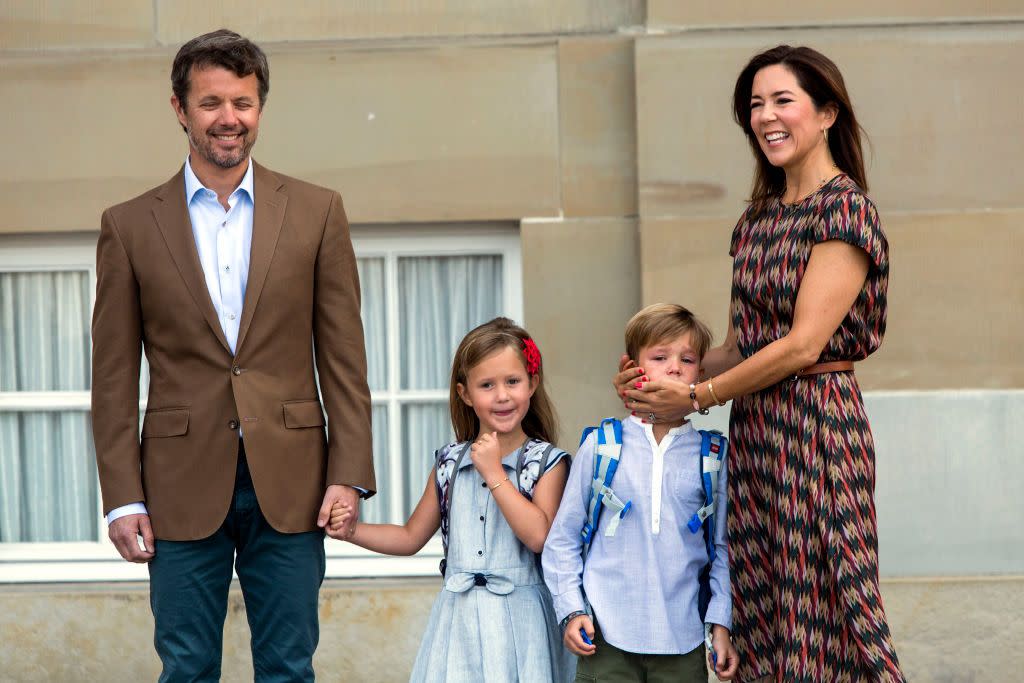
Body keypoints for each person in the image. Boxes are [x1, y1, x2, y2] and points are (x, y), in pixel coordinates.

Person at [90, 29, 374, 681]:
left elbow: (344, 358)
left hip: (295, 480)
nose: (229, 119)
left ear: (260, 109)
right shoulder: (130, 225)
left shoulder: (316, 211)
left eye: (243, 103)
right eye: (212, 102)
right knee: (187, 666)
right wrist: (121, 496)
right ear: (180, 109)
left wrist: (349, 471)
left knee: (289, 666)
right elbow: (111, 376)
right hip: (178, 482)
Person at [615, 46, 905, 682]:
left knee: (828, 602)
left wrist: (696, 398)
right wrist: (657, 378)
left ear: (827, 113)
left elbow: (803, 346)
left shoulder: (844, 210)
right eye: (754, 105)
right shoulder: (758, 219)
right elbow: (745, 344)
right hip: (756, 435)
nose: (766, 117)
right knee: (766, 603)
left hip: (817, 429)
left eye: (783, 101)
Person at [328, 317, 574, 682]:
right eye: (487, 385)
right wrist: (352, 531)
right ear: (465, 394)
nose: (502, 395)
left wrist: (493, 473)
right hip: (458, 623)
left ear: (532, 383)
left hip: (522, 626)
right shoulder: (449, 463)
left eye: (513, 381)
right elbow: (411, 537)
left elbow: (539, 535)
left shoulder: (546, 461)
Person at [544, 304, 740, 683]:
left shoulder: (712, 455)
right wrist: (571, 609)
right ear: (633, 368)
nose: (674, 367)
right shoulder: (601, 446)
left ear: (700, 373)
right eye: (660, 357)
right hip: (605, 638)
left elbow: (722, 549)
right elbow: (562, 540)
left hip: (682, 642)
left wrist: (721, 623)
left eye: (687, 359)